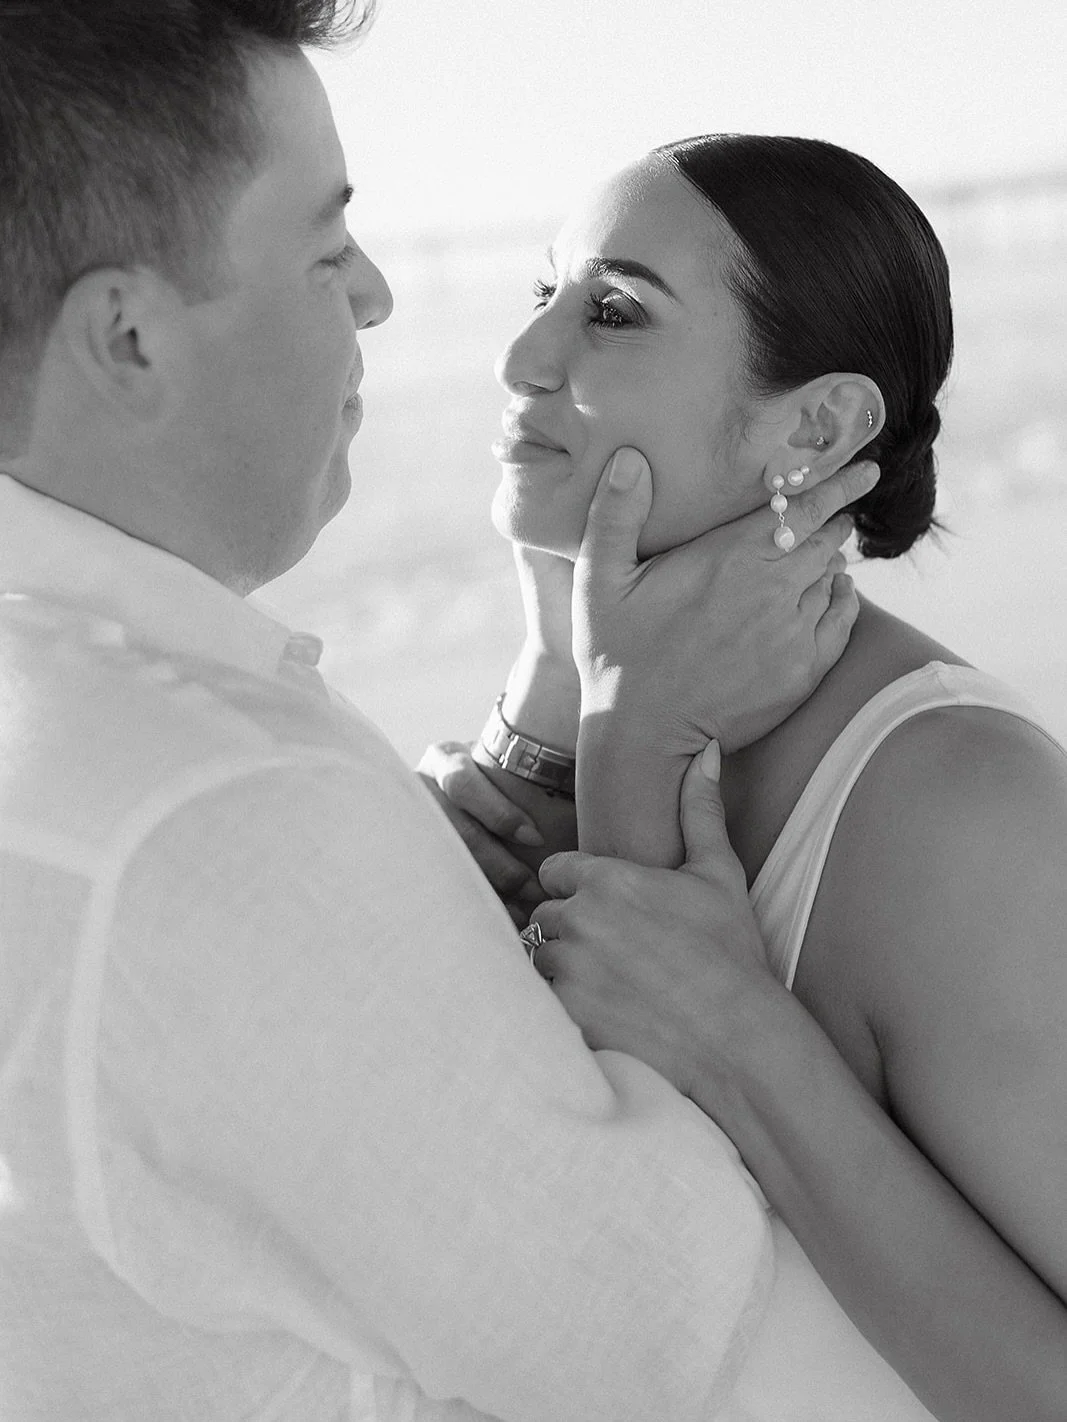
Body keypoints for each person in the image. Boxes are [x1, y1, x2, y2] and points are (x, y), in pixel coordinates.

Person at [0, 6, 869, 1420]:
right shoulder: (220, 811)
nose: (378, 294)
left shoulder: (84, 707)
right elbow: (651, 1330)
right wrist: (634, 742)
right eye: (324, 248)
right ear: (129, 339)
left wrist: (551, 698)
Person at [420, 136, 1067, 1421]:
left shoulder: (954, 809)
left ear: (813, 427)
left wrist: (745, 1047)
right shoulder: (578, 732)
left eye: (612, 311)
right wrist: (561, 693)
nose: (522, 356)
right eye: (542, 292)